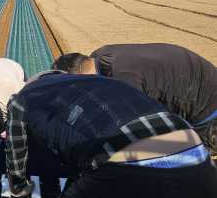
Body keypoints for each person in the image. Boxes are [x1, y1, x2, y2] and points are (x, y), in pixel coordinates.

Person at [4, 71, 217, 198]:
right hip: (199, 162)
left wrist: (20, 188)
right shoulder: (99, 82)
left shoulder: (24, 98)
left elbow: (16, 160)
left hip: (130, 169)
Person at [51, 44, 217, 150]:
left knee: (194, 158)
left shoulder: (125, 81)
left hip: (205, 102)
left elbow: (135, 129)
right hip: (190, 76)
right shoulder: (99, 56)